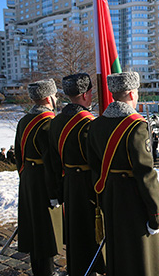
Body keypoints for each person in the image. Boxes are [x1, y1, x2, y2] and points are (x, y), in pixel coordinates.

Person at [87, 70, 159, 276]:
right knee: (140, 258)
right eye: (137, 91)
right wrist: (156, 214)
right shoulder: (137, 126)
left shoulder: (96, 125)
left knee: (118, 254)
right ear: (131, 94)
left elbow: (94, 167)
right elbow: (146, 174)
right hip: (134, 201)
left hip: (110, 197)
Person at [47, 72, 102, 276]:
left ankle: (77, 268)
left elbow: (52, 161)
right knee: (90, 231)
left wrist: (57, 191)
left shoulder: (55, 122)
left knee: (74, 230)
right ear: (87, 95)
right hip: (89, 186)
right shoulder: (89, 122)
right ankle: (92, 268)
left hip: (69, 182)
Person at [14, 77, 59, 276]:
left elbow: (18, 155)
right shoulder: (49, 122)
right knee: (45, 230)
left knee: (34, 227)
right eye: (55, 95)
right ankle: (47, 272)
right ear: (49, 98)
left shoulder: (23, 120)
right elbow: (51, 161)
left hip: (28, 178)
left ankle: (38, 270)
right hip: (43, 180)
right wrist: (55, 190)